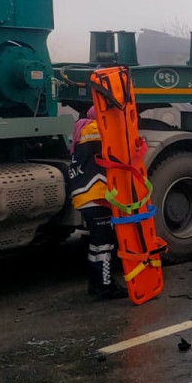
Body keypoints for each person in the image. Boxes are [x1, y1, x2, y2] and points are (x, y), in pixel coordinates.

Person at [68, 106, 128, 299]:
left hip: (85, 196)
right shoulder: (94, 129)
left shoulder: (82, 129)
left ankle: (95, 283)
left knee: (96, 243)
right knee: (104, 243)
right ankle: (105, 285)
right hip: (96, 195)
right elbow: (115, 144)